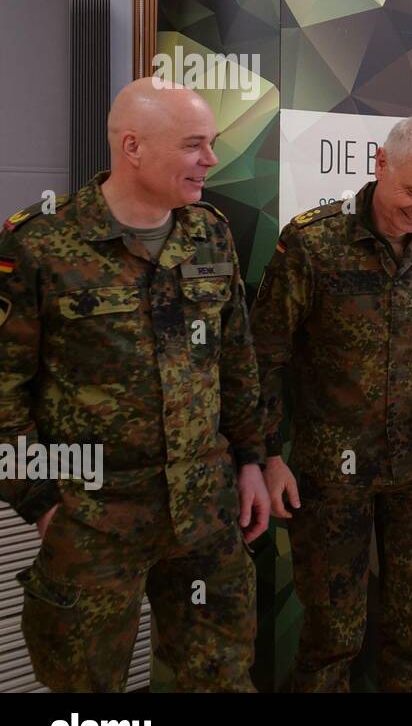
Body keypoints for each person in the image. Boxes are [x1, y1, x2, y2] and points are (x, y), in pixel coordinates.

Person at [0, 78, 270, 692]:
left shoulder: (209, 233)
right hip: (93, 517)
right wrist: (40, 505)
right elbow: (4, 396)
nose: (211, 160)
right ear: (133, 147)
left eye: (212, 144)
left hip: (205, 511)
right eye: (194, 145)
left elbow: (236, 359)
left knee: (220, 681)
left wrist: (252, 459)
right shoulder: (39, 244)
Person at [251, 117, 412, 692]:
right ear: (380, 165)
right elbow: (264, 355)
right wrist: (268, 455)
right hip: (330, 475)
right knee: (331, 636)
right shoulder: (311, 241)